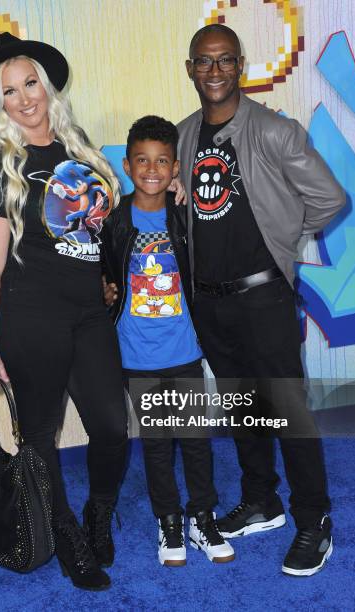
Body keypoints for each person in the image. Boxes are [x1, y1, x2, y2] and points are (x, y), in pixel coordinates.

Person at [177, 24, 346, 576]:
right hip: (210, 302)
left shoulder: (275, 131)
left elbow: (329, 199)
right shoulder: (182, 136)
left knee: (288, 411)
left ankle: (314, 519)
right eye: (205, 61)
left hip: (263, 296)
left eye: (225, 61)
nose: (215, 71)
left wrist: (282, 239)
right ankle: (261, 500)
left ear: (241, 66)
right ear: (191, 69)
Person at [0, 32, 129, 591]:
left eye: (29, 83)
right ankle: (66, 537)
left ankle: (98, 512)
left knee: (111, 427)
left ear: (47, 84)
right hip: (28, 317)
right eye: (8, 92)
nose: (23, 98)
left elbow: (98, 229)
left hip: (88, 314)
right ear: (1, 105)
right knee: (39, 438)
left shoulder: (79, 146)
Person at [101, 115, 234, 567]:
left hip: (185, 352)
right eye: (142, 160)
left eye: (162, 161)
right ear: (127, 164)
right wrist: (102, 290)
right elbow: (99, 273)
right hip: (136, 354)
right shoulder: (114, 221)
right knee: (157, 442)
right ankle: (169, 519)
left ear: (175, 167)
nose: (152, 170)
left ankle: (202, 516)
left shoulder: (186, 215)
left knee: (196, 439)